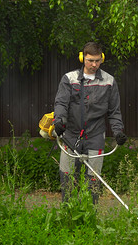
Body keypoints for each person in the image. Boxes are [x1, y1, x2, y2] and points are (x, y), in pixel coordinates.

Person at [53, 41, 127, 204]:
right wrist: (59, 121)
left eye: (97, 60)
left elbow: (114, 112)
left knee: (93, 180)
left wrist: (118, 132)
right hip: (70, 135)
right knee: (67, 177)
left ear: (102, 59)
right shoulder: (69, 79)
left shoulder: (109, 82)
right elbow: (61, 104)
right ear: (82, 58)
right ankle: (68, 214)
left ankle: (90, 214)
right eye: (90, 60)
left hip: (95, 136)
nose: (94, 64)